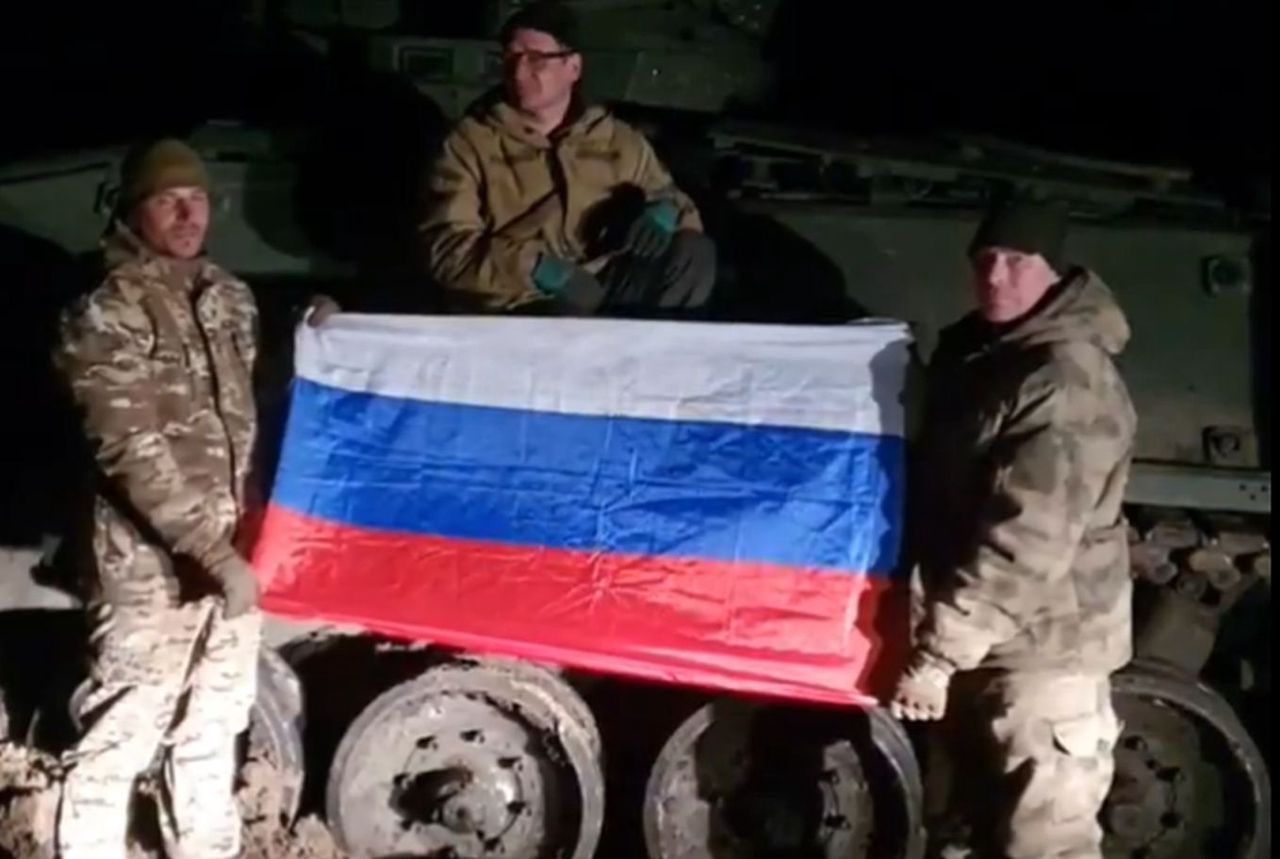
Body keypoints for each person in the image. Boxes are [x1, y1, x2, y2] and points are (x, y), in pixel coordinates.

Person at [892, 197, 1137, 858]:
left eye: (1017, 261)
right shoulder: (992, 361)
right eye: (985, 260)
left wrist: (940, 655)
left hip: (1041, 660)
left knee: (1042, 844)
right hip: (995, 651)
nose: (995, 276)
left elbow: (1027, 539)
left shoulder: (1061, 379)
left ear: (1053, 273)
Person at [53, 138, 265, 859]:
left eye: (198, 198)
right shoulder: (106, 309)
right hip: (148, 571)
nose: (187, 213)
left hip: (229, 564)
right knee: (122, 732)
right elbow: (129, 446)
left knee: (213, 730)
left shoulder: (231, 299)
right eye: (168, 200)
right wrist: (210, 549)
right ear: (134, 210)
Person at [420, 0, 716, 315]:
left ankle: (655, 354)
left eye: (536, 59)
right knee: (559, 318)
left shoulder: (616, 139)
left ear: (573, 67)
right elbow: (446, 249)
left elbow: (672, 199)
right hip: (519, 297)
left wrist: (666, 212)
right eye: (511, 57)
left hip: (598, 279)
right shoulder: (469, 143)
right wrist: (538, 270)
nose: (519, 72)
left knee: (691, 253)